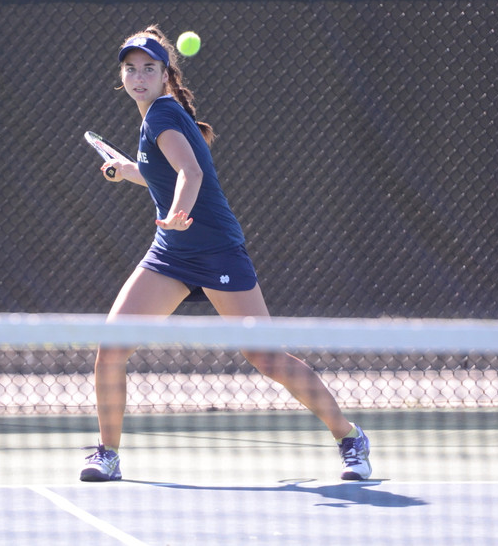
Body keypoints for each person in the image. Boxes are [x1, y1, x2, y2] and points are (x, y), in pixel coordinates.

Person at [80, 26, 371, 483]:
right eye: (131, 69)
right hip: (172, 255)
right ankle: (107, 453)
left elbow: (189, 173)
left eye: (148, 69)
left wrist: (177, 211)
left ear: (164, 75)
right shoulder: (160, 115)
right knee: (111, 350)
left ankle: (350, 437)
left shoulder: (160, 116)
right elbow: (163, 174)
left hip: (217, 253)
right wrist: (127, 171)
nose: (138, 76)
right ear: (122, 75)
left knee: (267, 358)